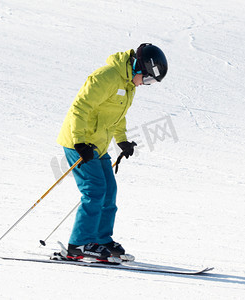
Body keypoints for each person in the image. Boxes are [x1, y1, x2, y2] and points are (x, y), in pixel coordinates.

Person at [56, 43, 168, 261]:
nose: (145, 84)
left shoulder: (128, 85)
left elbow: (118, 115)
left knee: (109, 191)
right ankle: (78, 244)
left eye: (151, 82)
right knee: (95, 190)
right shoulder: (106, 76)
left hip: (97, 144)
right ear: (138, 67)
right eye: (147, 79)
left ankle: (99, 239)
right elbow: (80, 107)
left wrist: (122, 141)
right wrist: (79, 142)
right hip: (79, 142)